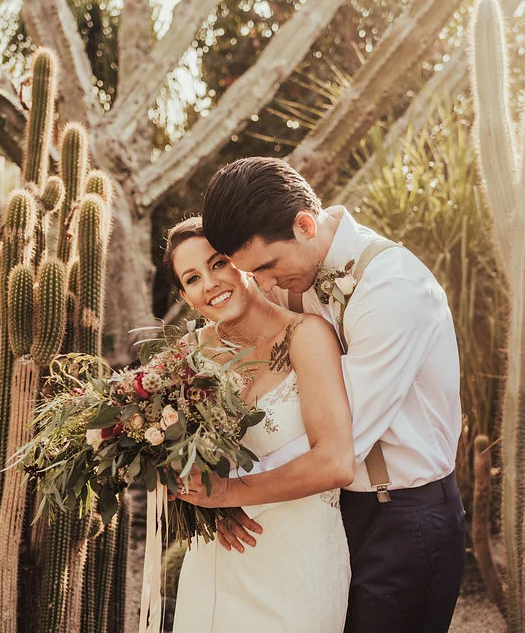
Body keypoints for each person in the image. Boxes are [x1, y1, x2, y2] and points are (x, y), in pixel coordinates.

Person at [179, 157, 465, 633]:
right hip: (338, 515)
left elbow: (338, 445)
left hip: (406, 520)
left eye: (267, 268)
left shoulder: (393, 289)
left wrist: (229, 492)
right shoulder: (306, 269)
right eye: (253, 273)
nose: (265, 287)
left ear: (306, 224)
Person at [163, 217, 354, 632]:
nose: (210, 283)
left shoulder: (307, 335)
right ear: (185, 296)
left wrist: (228, 493)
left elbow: (336, 463)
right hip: (218, 559)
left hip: (298, 561)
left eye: (218, 264)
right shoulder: (187, 357)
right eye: (193, 278)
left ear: (242, 260)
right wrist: (208, 508)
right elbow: (166, 460)